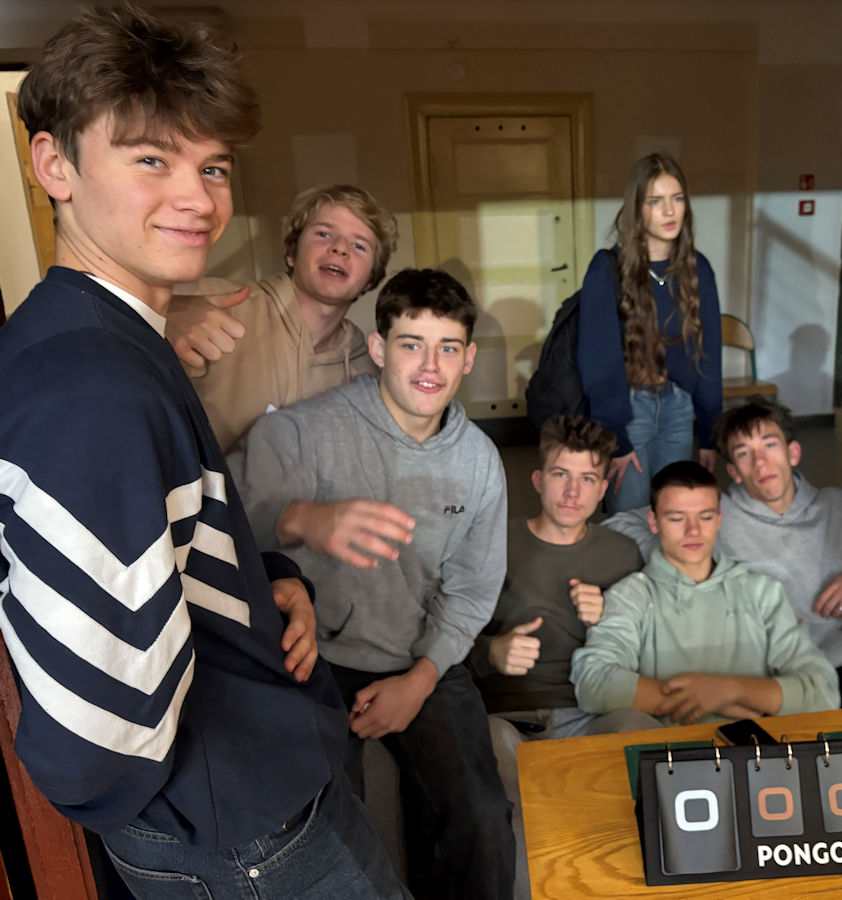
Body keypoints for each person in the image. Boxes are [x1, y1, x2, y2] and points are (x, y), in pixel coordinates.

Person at [0, 7, 408, 898]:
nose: (198, 198)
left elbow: (166, 542)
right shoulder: (92, 387)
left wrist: (261, 584)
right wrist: (197, 806)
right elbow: (89, 739)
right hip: (237, 833)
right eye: (151, 159)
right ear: (53, 164)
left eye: (212, 166)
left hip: (248, 793)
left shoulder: (117, 337)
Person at [229, 267, 514, 898]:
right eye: (412, 344)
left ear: (468, 359)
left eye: (448, 347)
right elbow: (217, 526)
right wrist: (301, 519)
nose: (430, 366)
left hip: (419, 655)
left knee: (482, 820)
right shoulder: (299, 433)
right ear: (380, 348)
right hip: (310, 657)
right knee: (329, 834)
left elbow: (471, 592)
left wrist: (422, 678)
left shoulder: (479, 463)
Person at [604, 397, 842, 706]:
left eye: (769, 445)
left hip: (838, 666)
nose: (760, 463)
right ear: (733, 472)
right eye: (744, 453)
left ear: (793, 453)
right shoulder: (712, 515)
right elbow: (622, 523)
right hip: (752, 676)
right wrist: (676, 552)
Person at [469, 414, 657, 900]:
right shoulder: (494, 543)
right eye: (560, 474)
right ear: (537, 480)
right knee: (505, 789)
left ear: (603, 489)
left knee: (647, 744)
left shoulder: (621, 554)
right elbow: (447, 633)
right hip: (508, 716)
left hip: (592, 713)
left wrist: (608, 620)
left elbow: (648, 648)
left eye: (587, 479)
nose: (573, 492)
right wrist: (491, 652)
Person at [571, 461, 839, 724]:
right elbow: (593, 681)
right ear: (653, 522)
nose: (693, 531)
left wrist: (731, 690)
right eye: (677, 518)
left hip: (756, 748)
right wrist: (701, 698)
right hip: (668, 750)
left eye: (705, 517)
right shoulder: (630, 596)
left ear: (719, 519)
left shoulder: (762, 593)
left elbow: (823, 690)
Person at [166, 183, 398, 451]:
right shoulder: (212, 303)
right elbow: (124, 306)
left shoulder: (367, 371)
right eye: (323, 234)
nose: (340, 248)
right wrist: (166, 314)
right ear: (292, 253)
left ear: (370, 279)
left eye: (359, 246)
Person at [578, 152, 722, 512]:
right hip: (628, 412)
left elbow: (708, 358)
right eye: (655, 201)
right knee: (630, 522)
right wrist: (616, 437)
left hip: (678, 408)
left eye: (677, 199)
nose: (669, 211)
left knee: (673, 515)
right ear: (636, 208)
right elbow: (598, 364)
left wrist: (709, 434)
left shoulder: (698, 269)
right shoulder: (606, 269)